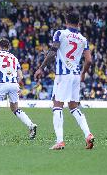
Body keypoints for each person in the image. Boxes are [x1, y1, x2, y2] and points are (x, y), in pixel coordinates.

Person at [34, 12, 95, 150]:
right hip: (75, 76)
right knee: (74, 107)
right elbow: (89, 60)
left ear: (66, 21)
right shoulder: (83, 39)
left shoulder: (60, 33)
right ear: (78, 23)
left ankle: (60, 141)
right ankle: (88, 134)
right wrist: (83, 73)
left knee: (57, 105)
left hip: (63, 75)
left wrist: (41, 68)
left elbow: (52, 52)